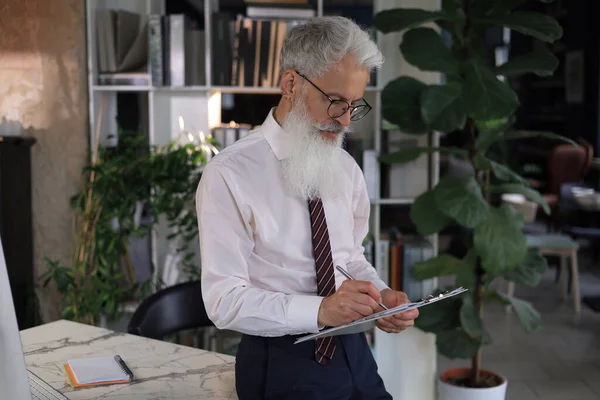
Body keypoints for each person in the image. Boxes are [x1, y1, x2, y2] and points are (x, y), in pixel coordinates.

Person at [196, 16, 419, 400]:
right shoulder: (229, 174)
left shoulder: (345, 167)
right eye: (334, 101)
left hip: (354, 350)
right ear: (290, 84)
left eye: (354, 105)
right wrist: (320, 312)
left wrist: (382, 298)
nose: (345, 120)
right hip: (279, 357)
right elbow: (224, 301)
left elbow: (349, 257)